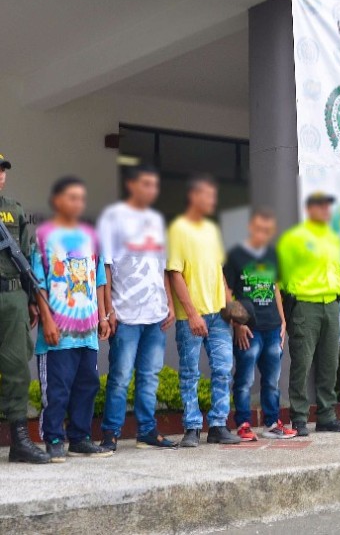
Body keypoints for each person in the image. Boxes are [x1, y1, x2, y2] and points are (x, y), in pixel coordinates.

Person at [98, 165, 177, 452]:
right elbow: (105, 268)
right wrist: (108, 310)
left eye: (155, 185)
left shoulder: (156, 221)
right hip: (126, 314)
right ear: (132, 185)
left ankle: (147, 430)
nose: (151, 190)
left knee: (149, 375)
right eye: (146, 184)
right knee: (120, 377)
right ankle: (110, 433)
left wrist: (169, 302)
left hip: (155, 314)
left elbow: (163, 268)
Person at [33, 177, 112, 461]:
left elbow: (99, 279)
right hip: (58, 333)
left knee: (87, 385)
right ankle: (54, 438)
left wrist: (103, 316)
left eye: (81, 198)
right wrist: (48, 320)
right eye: (71, 197)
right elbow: (38, 282)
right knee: (57, 389)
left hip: (87, 330)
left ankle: (80, 437)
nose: (78, 203)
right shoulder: (44, 236)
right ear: (57, 201)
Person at [168, 174, 240, 447]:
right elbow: (175, 274)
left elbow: (219, 272)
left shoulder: (212, 231)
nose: (212, 201)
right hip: (191, 316)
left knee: (223, 369)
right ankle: (192, 427)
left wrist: (230, 308)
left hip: (219, 315)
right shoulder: (178, 229)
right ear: (194, 197)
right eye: (208, 196)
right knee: (190, 373)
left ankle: (219, 425)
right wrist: (193, 313)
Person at [278, 192, 340, 435]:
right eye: (321, 207)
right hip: (305, 305)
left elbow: (339, 273)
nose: (326, 211)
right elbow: (281, 277)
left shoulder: (334, 238)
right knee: (302, 362)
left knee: (330, 363)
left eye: (328, 207)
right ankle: (299, 417)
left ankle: (326, 415)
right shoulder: (295, 238)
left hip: (331, 304)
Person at [223, 208, 296, 441]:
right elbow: (228, 291)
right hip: (249, 329)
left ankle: (272, 423)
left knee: (272, 380)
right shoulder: (235, 256)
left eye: (267, 230)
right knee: (245, 380)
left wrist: (283, 320)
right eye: (259, 229)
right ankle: (243, 424)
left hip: (272, 326)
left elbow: (275, 289)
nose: (262, 234)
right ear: (250, 228)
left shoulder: (272, 255)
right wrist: (237, 322)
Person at [0, 155, 50, 464]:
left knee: (17, 367)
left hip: (13, 298)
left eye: (3, 172)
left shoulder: (13, 210)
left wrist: (32, 300)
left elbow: (27, 256)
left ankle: (19, 440)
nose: (1, 177)